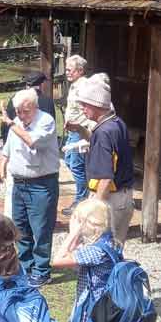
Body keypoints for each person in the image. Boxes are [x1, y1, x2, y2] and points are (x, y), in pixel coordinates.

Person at [0, 87, 60, 286]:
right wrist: (1, 166)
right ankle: (26, 266)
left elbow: (32, 141)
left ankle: (42, 271)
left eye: (25, 111)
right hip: (19, 183)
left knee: (41, 229)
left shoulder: (46, 121)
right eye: (19, 112)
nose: (22, 116)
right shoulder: (16, 122)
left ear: (34, 106)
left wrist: (11, 123)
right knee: (20, 227)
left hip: (41, 184)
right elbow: (8, 148)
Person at [75, 75, 134, 245]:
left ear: (97, 105)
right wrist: (79, 128)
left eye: (84, 104)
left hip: (110, 199)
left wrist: (94, 209)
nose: (82, 108)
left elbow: (106, 179)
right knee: (114, 252)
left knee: (98, 252)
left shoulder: (103, 133)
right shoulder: (116, 123)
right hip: (124, 197)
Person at [61, 56, 101, 215]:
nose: (67, 73)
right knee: (70, 162)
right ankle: (85, 194)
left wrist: (87, 129)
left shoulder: (85, 86)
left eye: (69, 70)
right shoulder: (74, 85)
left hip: (81, 130)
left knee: (76, 165)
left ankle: (81, 200)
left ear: (80, 71)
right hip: (73, 131)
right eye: (66, 69)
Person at [0, 71, 56, 144]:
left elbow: (6, 126)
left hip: (17, 139)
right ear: (42, 85)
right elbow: (51, 129)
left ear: (26, 85)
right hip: (38, 142)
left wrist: (6, 144)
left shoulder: (15, 99)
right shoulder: (48, 101)